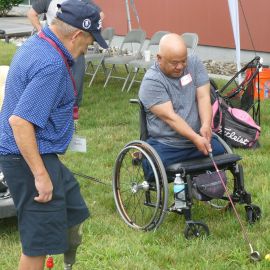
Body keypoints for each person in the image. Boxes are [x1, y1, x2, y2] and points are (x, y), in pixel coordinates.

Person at [0, 1, 108, 269]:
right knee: (37, 243)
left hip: (35, 151)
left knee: (74, 208)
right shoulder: (51, 65)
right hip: (24, 156)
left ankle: (66, 259)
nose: (89, 47)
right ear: (76, 36)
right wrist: (40, 175)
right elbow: (20, 122)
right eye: (90, 41)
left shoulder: (39, 43)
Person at [139, 33, 225, 178]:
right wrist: (195, 138)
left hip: (198, 141)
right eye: (174, 63)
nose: (180, 67)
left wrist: (205, 125)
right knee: (154, 167)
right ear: (159, 58)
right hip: (168, 145)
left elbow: (204, 97)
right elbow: (171, 117)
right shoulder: (151, 81)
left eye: (183, 61)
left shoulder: (194, 63)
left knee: (223, 153)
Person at [27, 0, 105, 107]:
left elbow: (100, 14)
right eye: (88, 44)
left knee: (75, 78)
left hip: (72, 42)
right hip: (59, 43)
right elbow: (31, 13)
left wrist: (88, 25)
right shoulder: (51, 61)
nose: (87, 50)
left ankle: (73, 105)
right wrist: (41, 30)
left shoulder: (82, 2)